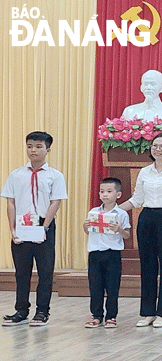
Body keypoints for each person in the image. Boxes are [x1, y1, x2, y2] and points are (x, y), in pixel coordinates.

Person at [119, 132, 162, 328]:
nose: (157, 149)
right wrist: (112, 211)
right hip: (147, 218)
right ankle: (148, 311)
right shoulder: (145, 172)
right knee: (147, 266)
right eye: (155, 145)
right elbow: (136, 200)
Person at [2, 131, 67, 326]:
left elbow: (56, 202)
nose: (33, 150)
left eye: (38, 146)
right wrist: (12, 230)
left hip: (43, 224)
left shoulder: (55, 175)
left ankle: (42, 311)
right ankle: (21, 310)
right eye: (30, 146)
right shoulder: (16, 174)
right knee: (22, 272)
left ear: (47, 150)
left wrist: (43, 227)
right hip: (22, 225)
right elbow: (11, 202)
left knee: (45, 271)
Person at [82, 177, 130, 328]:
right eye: (102, 191)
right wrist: (85, 226)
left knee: (112, 286)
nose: (105, 195)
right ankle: (96, 315)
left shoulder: (121, 214)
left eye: (109, 191)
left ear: (118, 194)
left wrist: (119, 229)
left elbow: (127, 235)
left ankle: (111, 316)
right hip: (95, 253)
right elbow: (88, 232)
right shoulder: (93, 212)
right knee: (95, 285)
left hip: (112, 254)